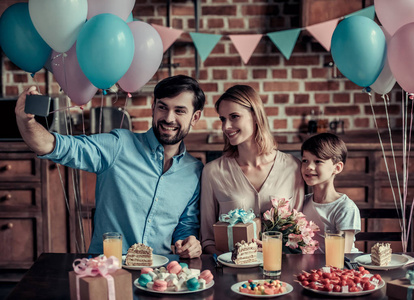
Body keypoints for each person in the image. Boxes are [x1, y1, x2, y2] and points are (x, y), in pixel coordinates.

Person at [15, 75, 206, 258]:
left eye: (179, 111)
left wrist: (189, 243)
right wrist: (26, 121)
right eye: (163, 107)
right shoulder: (118, 145)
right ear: (153, 108)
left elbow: (185, 228)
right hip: (107, 270)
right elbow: (55, 146)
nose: (169, 118)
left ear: (195, 118)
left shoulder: (194, 171)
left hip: (159, 275)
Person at [200, 85, 304, 254]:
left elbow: (298, 234)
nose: (226, 126)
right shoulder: (212, 172)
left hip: (279, 271)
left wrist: (275, 252)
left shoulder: (292, 167)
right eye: (223, 119)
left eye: (234, 117)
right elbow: (207, 239)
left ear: (255, 116)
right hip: (230, 272)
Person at [301, 132, 361, 253]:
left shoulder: (345, 208)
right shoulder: (303, 201)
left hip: (340, 267)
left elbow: (343, 254)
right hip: (311, 268)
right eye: (305, 160)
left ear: (337, 167)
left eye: (318, 161)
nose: (309, 167)